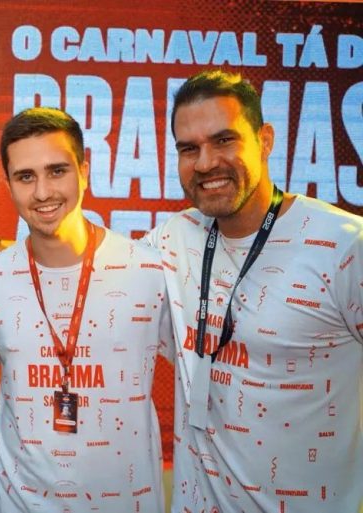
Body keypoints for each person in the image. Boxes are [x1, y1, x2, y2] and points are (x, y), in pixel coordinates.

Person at [144, 70, 363, 512]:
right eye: (189, 148)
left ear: (264, 141)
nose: (205, 163)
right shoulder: (173, 238)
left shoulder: (345, 246)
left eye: (224, 140)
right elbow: (89, 272)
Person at [0, 107, 172, 512]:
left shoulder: (147, 271)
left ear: (84, 171)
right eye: (26, 176)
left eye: (57, 171)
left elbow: (206, 369)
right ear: (8, 184)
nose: (42, 192)